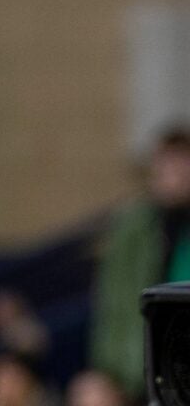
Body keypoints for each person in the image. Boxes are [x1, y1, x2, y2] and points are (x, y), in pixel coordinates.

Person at [90, 125, 190, 400]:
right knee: (92, 393)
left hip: (182, 358)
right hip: (135, 366)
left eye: (182, 164)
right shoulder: (132, 229)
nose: (175, 174)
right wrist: (110, 371)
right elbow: (113, 304)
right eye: (167, 164)